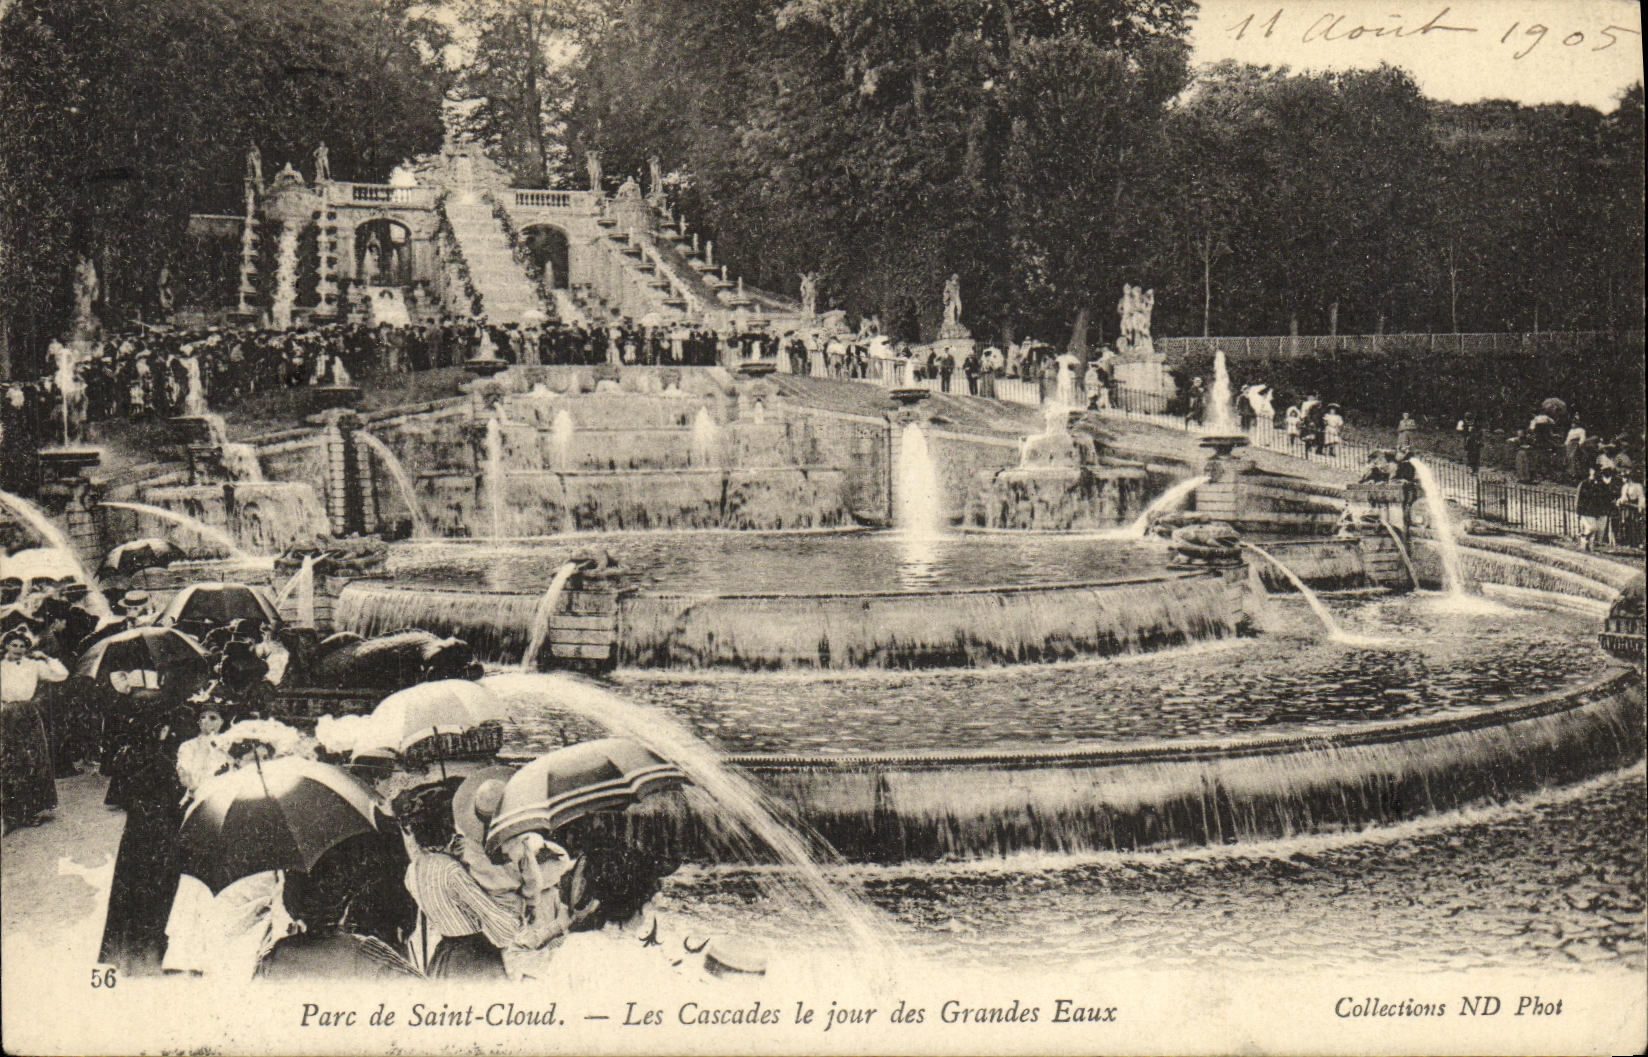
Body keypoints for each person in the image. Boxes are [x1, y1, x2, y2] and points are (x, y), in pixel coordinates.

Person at [1, 629, 66, 830]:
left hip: (29, 715)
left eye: (22, 646)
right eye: (14, 645)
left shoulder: (33, 665)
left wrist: (46, 657)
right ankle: (12, 813)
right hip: (7, 715)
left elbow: (61, 675)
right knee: (11, 762)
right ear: (5, 646)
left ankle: (31, 811)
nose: (18, 650)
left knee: (33, 761)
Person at [1576, 465, 1621, 552]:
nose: (1596, 473)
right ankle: (1584, 537)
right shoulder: (1584, 484)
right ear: (1590, 471)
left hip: (1599, 511)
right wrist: (1578, 511)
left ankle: (1589, 546)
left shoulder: (1602, 484)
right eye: (1594, 470)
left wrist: (1614, 501)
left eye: (1597, 471)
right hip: (1587, 511)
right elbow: (1579, 498)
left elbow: (1608, 496)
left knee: (1599, 530)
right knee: (1592, 528)